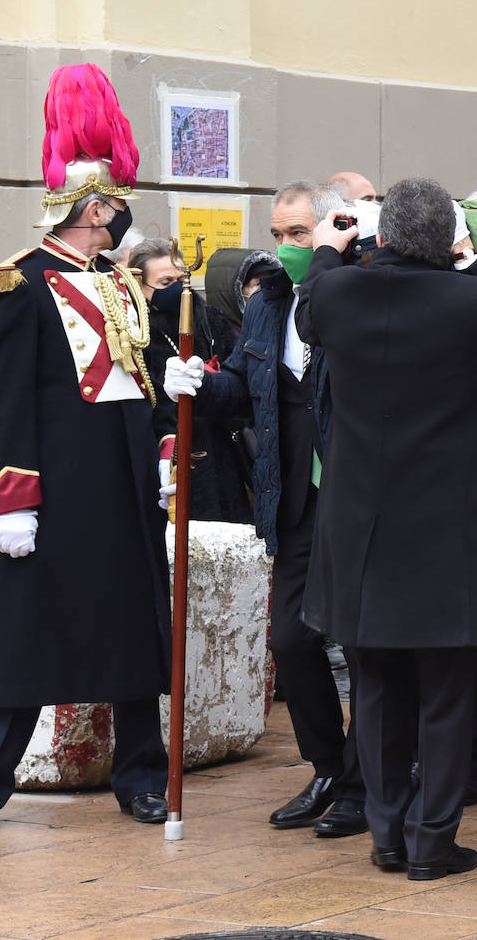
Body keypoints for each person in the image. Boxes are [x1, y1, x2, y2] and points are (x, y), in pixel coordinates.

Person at [294, 177, 477, 880]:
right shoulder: (472, 301)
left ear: (382, 235)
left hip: (361, 532)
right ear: (453, 243)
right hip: (451, 536)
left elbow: (311, 303)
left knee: (375, 690)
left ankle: (387, 834)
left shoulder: (333, 295)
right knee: (451, 695)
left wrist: (333, 247)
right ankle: (431, 841)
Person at [164, 181, 368, 838]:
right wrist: (201, 384)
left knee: (369, 646)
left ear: (335, 228)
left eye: (299, 234)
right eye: (278, 234)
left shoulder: (362, 290)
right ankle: (328, 766)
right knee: (291, 638)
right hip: (295, 496)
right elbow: (251, 395)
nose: (286, 248)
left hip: (360, 488)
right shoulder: (267, 304)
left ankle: (371, 782)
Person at [0, 64, 171, 824]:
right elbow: (7, 402)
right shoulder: (21, 284)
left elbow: (150, 381)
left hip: (126, 481)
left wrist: (167, 449)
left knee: (136, 632)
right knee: (34, 641)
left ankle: (141, 771)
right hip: (61, 487)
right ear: (94, 207)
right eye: (116, 204)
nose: (122, 214)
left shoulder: (123, 281)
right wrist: (14, 497)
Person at [131, 238, 253, 524]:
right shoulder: (138, 334)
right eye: (165, 282)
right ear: (141, 288)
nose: (177, 287)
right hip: (169, 454)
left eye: (180, 278)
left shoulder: (210, 319)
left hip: (222, 451)